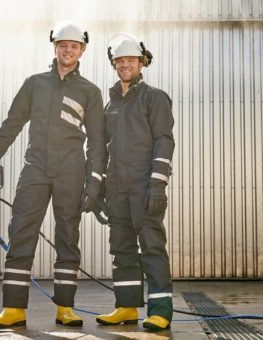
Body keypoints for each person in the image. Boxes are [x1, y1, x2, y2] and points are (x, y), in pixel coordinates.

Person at [0, 20, 105, 328]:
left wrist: (94, 183)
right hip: (35, 168)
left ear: (82, 51)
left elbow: (99, 143)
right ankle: (14, 309)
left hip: (71, 171)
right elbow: (11, 125)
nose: (68, 50)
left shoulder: (90, 92)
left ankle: (65, 309)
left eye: (74, 46)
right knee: (21, 231)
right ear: (55, 47)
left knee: (67, 237)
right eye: (63, 45)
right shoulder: (34, 84)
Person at [95, 33, 175, 331]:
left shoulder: (154, 97)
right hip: (118, 190)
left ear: (142, 63)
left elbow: (164, 141)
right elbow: (105, 148)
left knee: (152, 247)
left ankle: (161, 310)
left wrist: (157, 184)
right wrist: (101, 188)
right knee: (122, 248)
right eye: (120, 61)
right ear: (114, 64)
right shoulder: (111, 103)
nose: (125, 65)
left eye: (130, 60)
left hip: (144, 187)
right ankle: (126, 307)